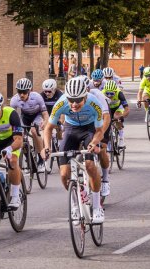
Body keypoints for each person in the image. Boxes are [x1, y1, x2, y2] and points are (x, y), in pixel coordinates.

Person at [41, 78, 105, 223]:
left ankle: (96, 207)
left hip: (89, 129)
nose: (74, 104)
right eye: (71, 100)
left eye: (78, 100)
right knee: (64, 174)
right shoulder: (61, 103)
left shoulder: (94, 103)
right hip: (71, 129)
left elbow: (100, 131)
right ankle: (75, 204)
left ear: (85, 96)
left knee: (89, 165)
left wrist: (94, 143)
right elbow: (48, 128)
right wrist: (47, 147)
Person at [76, 75, 111, 200]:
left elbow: (106, 116)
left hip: (100, 120)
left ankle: (105, 180)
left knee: (101, 149)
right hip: (84, 121)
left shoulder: (96, 95)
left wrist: (101, 136)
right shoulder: (75, 96)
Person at [10, 78, 48, 172]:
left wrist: (45, 121)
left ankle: (41, 159)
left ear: (29, 91)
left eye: (24, 92)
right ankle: (28, 156)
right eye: (19, 92)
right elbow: (12, 117)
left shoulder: (37, 97)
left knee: (34, 131)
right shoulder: (14, 100)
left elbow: (45, 114)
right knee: (20, 136)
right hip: (25, 116)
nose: (22, 94)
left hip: (37, 115)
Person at [102, 80, 130, 148]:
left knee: (117, 117)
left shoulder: (119, 93)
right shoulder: (102, 93)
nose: (109, 96)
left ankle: (121, 138)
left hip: (117, 107)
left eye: (111, 94)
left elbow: (127, 109)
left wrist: (122, 116)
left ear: (115, 91)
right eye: (107, 93)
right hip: (107, 108)